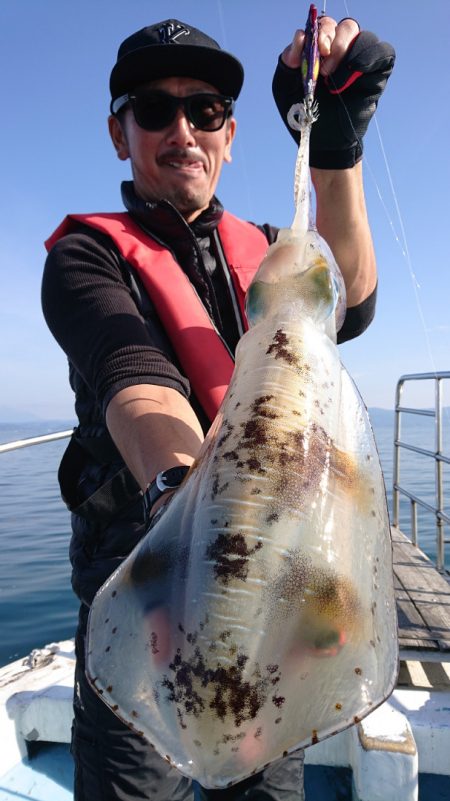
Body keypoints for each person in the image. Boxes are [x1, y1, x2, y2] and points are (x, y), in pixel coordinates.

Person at [42, 12, 395, 801]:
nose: (183, 130)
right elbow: (136, 378)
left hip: (279, 604)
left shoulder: (270, 252)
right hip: (150, 592)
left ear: (230, 134)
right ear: (117, 131)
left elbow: (351, 299)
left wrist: (334, 147)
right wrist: (183, 504)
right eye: (154, 110)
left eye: (204, 111)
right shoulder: (85, 256)